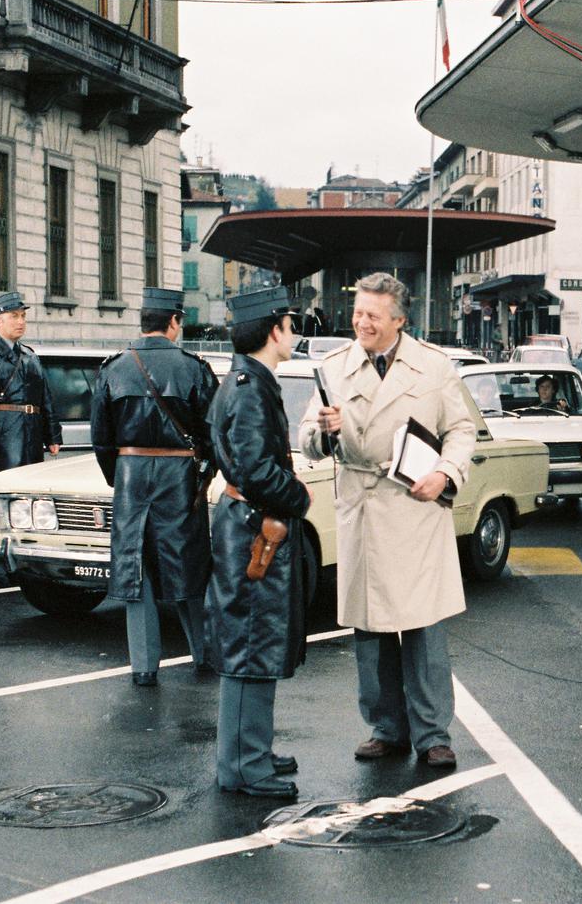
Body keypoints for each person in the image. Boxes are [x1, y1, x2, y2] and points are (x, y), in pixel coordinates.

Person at [300, 272, 475, 770]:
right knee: (370, 628)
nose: (362, 323)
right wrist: (323, 433)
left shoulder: (434, 367)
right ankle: (385, 728)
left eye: (373, 315)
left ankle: (433, 734)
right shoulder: (335, 366)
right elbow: (309, 436)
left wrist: (445, 472)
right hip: (362, 505)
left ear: (399, 319)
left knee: (422, 628)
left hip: (415, 505)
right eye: (358, 313)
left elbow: (461, 430)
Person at [207, 286, 313, 798]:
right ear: (274, 329)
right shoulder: (252, 386)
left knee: (253, 639)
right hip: (255, 526)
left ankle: (251, 750)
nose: (294, 332)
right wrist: (300, 495)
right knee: (251, 643)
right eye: (291, 324)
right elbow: (256, 470)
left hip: (247, 524)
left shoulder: (244, 379)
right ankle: (244, 766)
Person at [91, 288, 218, 686]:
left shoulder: (113, 368)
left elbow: (101, 439)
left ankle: (144, 666)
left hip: (130, 476)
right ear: (175, 321)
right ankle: (204, 653)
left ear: (142, 322)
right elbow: (213, 431)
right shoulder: (194, 368)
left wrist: (121, 475)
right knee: (189, 566)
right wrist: (204, 472)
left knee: (136, 569)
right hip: (178, 477)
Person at [0, 292, 61, 585]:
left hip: (29, 433)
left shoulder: (29, 354)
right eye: (15, 316)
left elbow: (45, 398)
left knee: (29, 499)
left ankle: (25, 565)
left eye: (23, 316)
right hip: (3, 435)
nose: (21, 322)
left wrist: (52, 434)